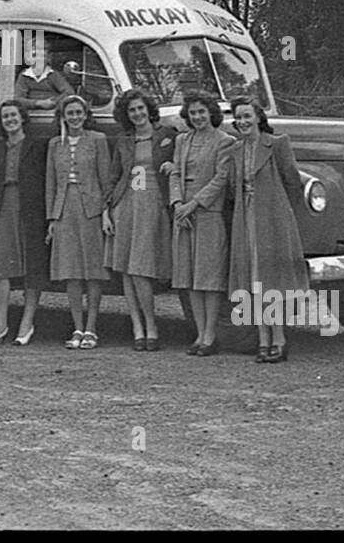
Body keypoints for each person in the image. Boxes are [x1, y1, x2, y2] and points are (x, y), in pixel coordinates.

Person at [222, 95, 308, 363]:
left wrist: (283, 215)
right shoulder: (235, 150)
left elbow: (292, 181)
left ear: (258, 117)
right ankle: (262, 339)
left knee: (272, 281)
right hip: (245, 219)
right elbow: (232, 189)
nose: (242, 121)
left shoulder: (277, 144)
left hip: (272, 219)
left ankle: (279, 339)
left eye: (247, 116)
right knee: (253, 281)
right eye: (238, 117)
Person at [106, 89, 178, 350]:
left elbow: (182, 161)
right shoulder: (124, 140)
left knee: (141, 269)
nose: (137, 114)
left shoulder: (167, 134)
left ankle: (151, 325)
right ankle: (138, 327)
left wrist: (175, 168)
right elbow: (114, 177)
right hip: (126, 204)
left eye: (140, 108)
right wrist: (106, 210)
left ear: (148, 109)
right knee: (127, 269)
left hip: (153, 205)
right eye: (131, 110)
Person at [167, 92, 236, 356]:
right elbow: (175, 172)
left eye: (201, 112)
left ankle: (210, 334)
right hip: (183, 217)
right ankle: (198, 333)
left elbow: (220, 179)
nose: (197, 117)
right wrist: (177, 204)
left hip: (207, 213)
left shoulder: (225, 141)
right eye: (193, 113)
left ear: (211, 113)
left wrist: (193, 204)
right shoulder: (182, 140)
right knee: (189, 278)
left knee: (208, 278)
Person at [0, 99, 50, 346]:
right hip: (3, 205)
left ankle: (26, 323)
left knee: (32, 264)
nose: (10, 120)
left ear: (22, 118)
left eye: (13, 115)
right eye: (5, 117)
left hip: (29, 207)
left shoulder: (35, 146)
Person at [45, 94, 111, 349]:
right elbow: (50, 184)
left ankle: (92, 328)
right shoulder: (55, 144)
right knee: (70, 271)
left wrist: (105, 211)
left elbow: (105, 179)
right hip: (64, 210)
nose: (74, 117)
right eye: (70, 113)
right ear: (62, 117)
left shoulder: (97, 140)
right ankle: (77, 327)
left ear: (85, 115)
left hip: (91, 210)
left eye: (78, 113)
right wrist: (52, 217)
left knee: (93, 271)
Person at [14, 38, 74, 110]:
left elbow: (69, 92)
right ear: (27, 58)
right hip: (30, 113)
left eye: (42, 56)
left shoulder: (53, 75)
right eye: (34, 55)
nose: (38, 59)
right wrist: (38, 103)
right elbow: (18, 99)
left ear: (48, 58)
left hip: (51, 113)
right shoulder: (24, 76)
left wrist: (54, 102)